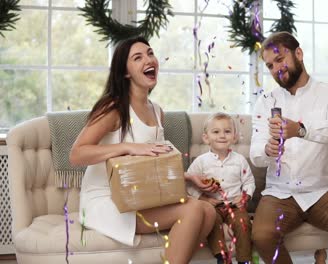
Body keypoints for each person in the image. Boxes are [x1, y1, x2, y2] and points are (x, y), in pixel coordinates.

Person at [69, 36, 217, 264]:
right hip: (108, 201)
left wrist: (188, 177)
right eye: (137, 57)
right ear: (126, 72)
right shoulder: (114, 109)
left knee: (208, 211)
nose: (149, 60)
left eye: (150, 53)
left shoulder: (157, 111)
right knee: (194, 211)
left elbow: (153, 164)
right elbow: (77, 154)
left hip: (139, 196)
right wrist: (128, 147)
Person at [249, 31, 328, 264]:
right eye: (270, 65)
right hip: (280, 192)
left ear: (298, 54)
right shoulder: (266, 101)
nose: (276, 69)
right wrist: (268, 150)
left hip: (323, 191)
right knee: (261, 234)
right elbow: (255, 154)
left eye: (280, 59)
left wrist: (301, 129)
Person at [186, 112, 256, 264]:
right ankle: (222, 256)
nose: (222, 136)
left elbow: (249, 181)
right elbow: (189, 185)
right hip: (213, 206)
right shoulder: (201, 162)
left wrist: (245, 196)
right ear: (206, 138)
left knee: (243, 222)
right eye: (216, 132)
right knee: (212, 221)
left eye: (227, 131)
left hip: (234, 206)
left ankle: (245, 259)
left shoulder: (240, 160)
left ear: (234, 137)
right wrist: (203, 199)